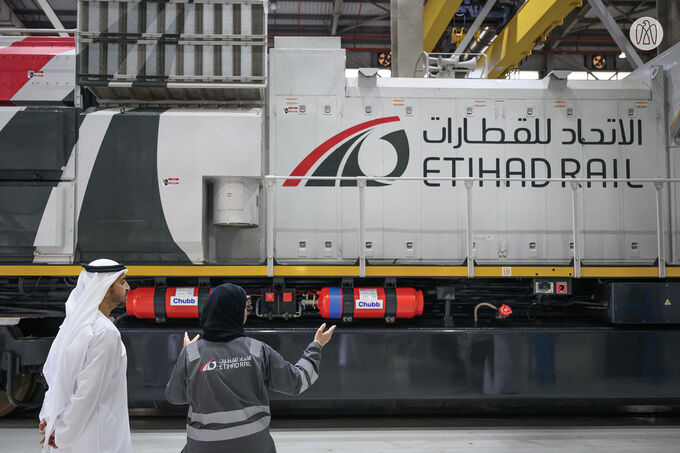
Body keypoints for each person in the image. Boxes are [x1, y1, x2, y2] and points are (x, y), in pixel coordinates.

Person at [166, 283, 335, 453]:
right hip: (254, 447)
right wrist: (316, 345)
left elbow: (174, 396)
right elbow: (298, 382)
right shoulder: (257, 350)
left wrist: (185, 354)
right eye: (245, 308)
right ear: (236, 313)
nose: (247, 311)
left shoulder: (191, 353)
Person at [38, 259, 131, 453]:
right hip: (95, 436)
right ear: (106, 288)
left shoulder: (72, 324)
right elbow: (88, 394)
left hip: (69, 429)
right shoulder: (105, 333)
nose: (128, 287)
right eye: (122, 282)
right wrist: (62, 432)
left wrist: (50, 419)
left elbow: (54, 376)